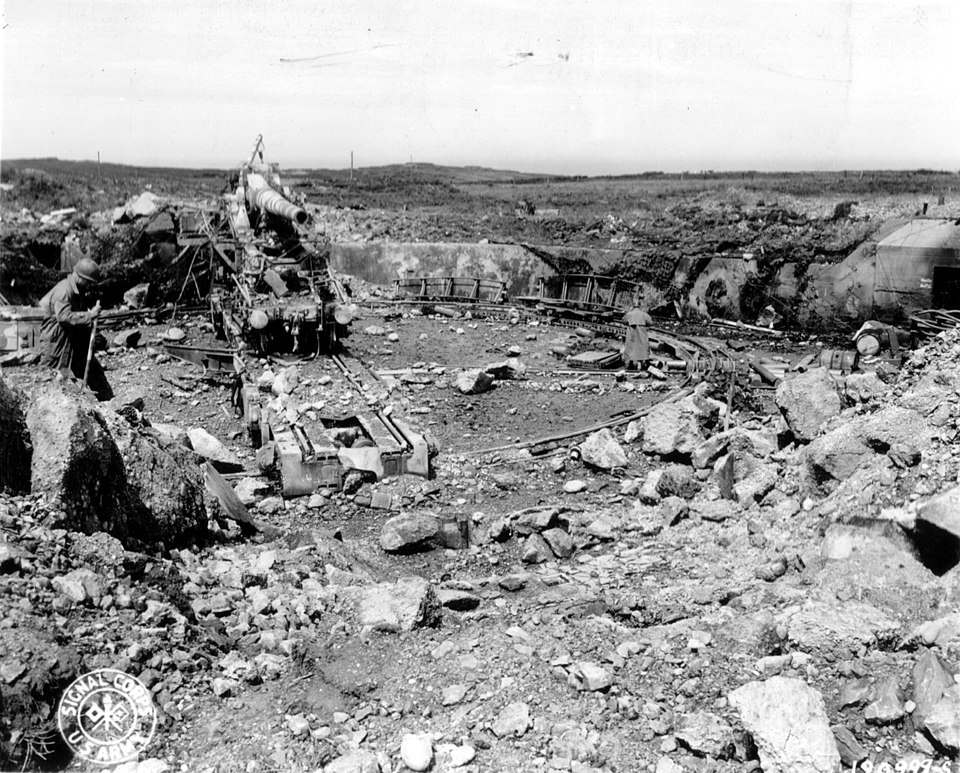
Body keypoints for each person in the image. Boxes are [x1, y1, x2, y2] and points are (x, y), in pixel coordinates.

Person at [38, 258, 113, 401]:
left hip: (73, 338)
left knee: (93, 371)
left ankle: (110, 403)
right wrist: (89, 315)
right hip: (56, 341)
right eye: (88, 282)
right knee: (50, 378)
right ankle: (43, 408)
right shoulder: (64, 290)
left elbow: (78, 315)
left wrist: (93, 330)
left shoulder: (78, 290)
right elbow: (63, 317)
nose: (90, 286)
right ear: (80, 277)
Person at [622, 302, 653, 370]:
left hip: (632, 335)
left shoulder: (629, 314)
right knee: (642, 348)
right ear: (639, 306)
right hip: (642, 334)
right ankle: (643, 363)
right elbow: (650, 322)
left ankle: (631, 364)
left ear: (633, 306)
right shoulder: (644, 314)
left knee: (631, 348)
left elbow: (623, 321)